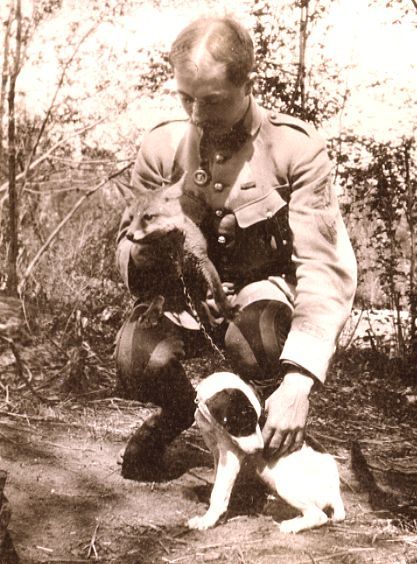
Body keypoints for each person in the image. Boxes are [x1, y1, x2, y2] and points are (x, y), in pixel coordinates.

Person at [115, 16, 357, 480]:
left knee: (257, 336)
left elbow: (325, 268)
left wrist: (299, 382)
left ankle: (268, 433)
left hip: (258, 302)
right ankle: (181, 412)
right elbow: (126, 245)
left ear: (249, 84)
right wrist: (140, 256)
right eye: (185, 98)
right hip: (187, 302)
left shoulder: (294, 148)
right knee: (135, 351)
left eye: (211, 100)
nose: (195, 115)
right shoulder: (161, 147)